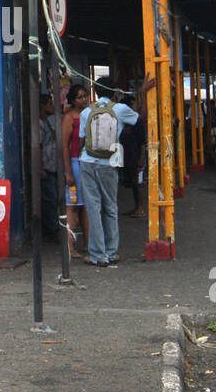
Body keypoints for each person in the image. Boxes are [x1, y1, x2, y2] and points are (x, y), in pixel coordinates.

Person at [79, 77, 155, 266]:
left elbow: (82, 139)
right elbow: (142, 118)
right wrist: (143, 92)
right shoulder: (120, 110)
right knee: (111, 208)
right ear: (115, 92)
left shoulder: (86, 112)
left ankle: (98, 255)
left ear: (95, 91)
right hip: (108, 163)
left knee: (93, 208)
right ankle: (112, 252)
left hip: (87, 162)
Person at [62, 83, 89, 259]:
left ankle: (89, 244)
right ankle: (70, 246)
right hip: (74, 164)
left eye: (85, 96)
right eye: (79, 97)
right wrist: (69, 172)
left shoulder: (87, 115)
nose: (84, 99)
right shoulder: (69, 117)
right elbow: (64, 145)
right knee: (72, 207)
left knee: (86, 206)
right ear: (73, 100)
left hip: (86, 163)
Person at [38, 94, 62, 243]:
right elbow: (38, 146)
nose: (53, 106)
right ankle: (51, 230)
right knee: (50, 200)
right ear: (42, 106)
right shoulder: (40, 124)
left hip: (52, 166)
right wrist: (40, 167)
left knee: (53, 200)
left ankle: (53, 228)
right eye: (50, 104)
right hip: (46, 167)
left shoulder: (47, 122)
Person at [119, 93, 147, 218]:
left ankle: (140, 208)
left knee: (138, 183)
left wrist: (141, 158)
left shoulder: (137, 122)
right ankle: (137, 207)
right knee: (133, 184)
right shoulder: (124, 121)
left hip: (136, 157)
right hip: (127, 157)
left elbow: (142, 142)